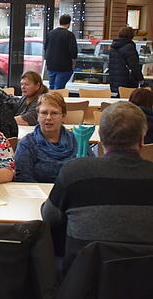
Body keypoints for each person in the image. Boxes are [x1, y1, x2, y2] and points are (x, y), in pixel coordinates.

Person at [42, 102, 153, 271]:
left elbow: (49, 217)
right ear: (142, 138)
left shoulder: (75, 172)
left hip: (83, 284)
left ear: (100, 135)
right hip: (145, 286)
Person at [15, 92, 87, 183]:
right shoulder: (27, 144)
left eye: (54, 113)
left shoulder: (78, 141)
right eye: (44, 113)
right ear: (37, 116)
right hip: (40, 195)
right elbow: (23, 177)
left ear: (63, 116)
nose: (48, 118)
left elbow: (92, 171)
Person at [44, 14, 78, 90]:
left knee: (52, 86)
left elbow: (45, 47)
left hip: (51, 65)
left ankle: (50, 101)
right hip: (64, 66)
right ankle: (56, 101)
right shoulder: (69, 35)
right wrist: (74, 62)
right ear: (69, 24)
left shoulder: (50, 33)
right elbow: (73, 50)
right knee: (59, 88)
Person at [108, 26, 144, 95]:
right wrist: (140, 79)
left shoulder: (113, 47)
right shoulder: (129, 47)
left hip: (114, 80)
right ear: (131, 35)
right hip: (127, 81)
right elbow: (134, 66)